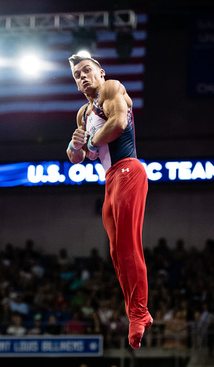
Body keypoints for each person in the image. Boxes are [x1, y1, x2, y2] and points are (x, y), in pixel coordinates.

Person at [67, 54, 153, 349]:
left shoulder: (111, 89)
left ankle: (139, 315)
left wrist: (89, 142)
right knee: (116, 254)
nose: (83, 76)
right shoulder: (83, 114)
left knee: (129, 246)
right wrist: (75, 144)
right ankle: (136, 313)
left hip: (129, 170)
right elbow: (77, 158)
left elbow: (116, 124)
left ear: (101, 73)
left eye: (87, 70)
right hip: (110, 181)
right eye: (78, 75)